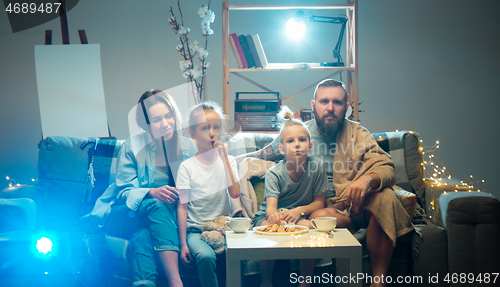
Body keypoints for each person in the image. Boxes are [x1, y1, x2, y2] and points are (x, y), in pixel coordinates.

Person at [242, 79, 413, 287]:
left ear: (346, 107)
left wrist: (367, 180)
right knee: (319, 215)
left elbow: (386, 165)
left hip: (359, 202)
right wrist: (222, 160)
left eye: (337, 102)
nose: (330, 108)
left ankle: (378, 282)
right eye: (324, 101)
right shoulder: (300, 133)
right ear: (313, 106)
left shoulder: (358, 134)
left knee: (386, 196)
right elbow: (266, 154)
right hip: (328, 208)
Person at [91, 89, 197, 287]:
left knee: (143, 235)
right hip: (125, 212)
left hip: (163, 219)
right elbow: (123, 192)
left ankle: (144, 283)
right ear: (146, 124)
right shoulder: (132, 145)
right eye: (157, 119)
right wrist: (151, 192)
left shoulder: (189, 147)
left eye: (168, 116)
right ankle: (176, 282)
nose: (165, 123)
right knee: (156, 204)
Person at [253, 106, 327, 287]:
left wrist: (300, 211)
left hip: (301, 215)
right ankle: (266, 281)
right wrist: (275, 217)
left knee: (308, 227)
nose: (297, 144)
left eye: (302, 140)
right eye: (290, 141)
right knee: (267, 230)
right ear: (282, 148)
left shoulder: (317, 166)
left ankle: (305, 281)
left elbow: (319, 202)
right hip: (274, 215)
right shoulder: (274, 172)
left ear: (310, 146)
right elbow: (270, 207)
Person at [176, 101, 241, 287]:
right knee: (205, 256)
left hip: (225, 228)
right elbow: (182, 207)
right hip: (196, 230)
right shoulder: (187, 167)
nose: (212, 133)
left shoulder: (229, 161)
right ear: (192, 133)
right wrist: (182, 244)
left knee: (240, 253)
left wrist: (225, 159)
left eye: (216, 127)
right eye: (205, 128)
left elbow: (235, 193)